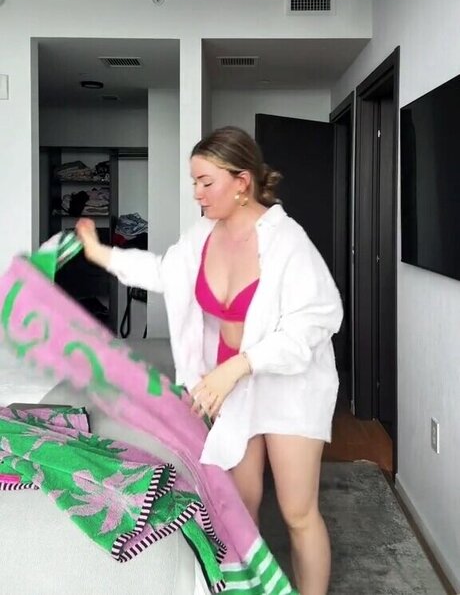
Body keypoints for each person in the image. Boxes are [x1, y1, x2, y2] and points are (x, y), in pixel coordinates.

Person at [76, 125, 343, 595]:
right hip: (230, 388)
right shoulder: (202, 235)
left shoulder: (287, 241)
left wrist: (237, 366)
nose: (197, 193)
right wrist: (101, 254)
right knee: (239, 508)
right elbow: (165, 272)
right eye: (194, 182)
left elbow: (317, 321)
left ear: (242, 182)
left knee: (298, 512)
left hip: (289, 386)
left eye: (206, 182)